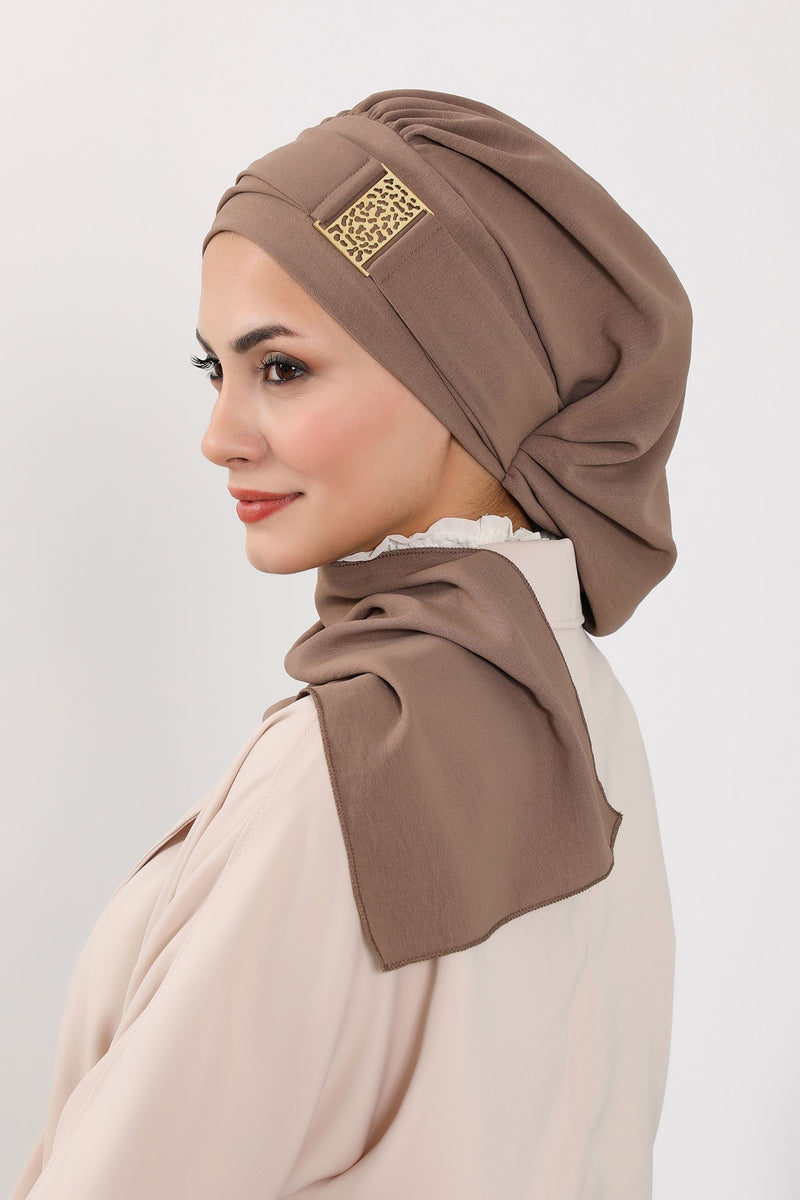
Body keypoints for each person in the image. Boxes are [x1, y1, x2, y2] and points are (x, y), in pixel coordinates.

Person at [12, 90, 692, 1199]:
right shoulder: (578, 705)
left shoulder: (354, 757)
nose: (219, 436)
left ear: (462, 376)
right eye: (214, 369)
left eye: (280, 368)